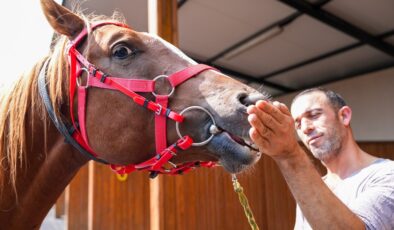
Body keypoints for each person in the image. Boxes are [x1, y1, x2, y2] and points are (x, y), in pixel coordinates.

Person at [247, 87, 394, 230]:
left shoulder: (387, 174)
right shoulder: (311, 187)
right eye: (297, 124)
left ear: (344, 116)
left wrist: (289, 155)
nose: (305, 128)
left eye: (314, 115)